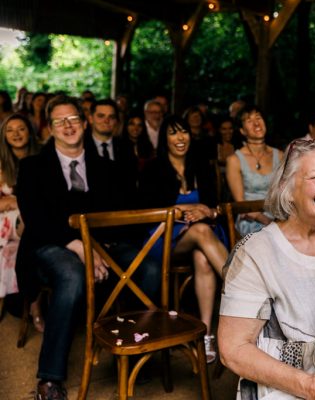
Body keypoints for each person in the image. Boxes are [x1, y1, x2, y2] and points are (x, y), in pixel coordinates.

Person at [16, 95, 161, 400]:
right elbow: (36, 220)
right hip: (50, 245)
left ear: (83, 124)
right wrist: (81, 247)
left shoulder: (107, 167)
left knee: (148, 267)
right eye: (59, 121)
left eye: (72, 119)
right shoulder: (32, 167)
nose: (67, 126)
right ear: (50, 128)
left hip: (101, 242)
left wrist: (95, 245)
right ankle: (49, 378)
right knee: (71, 276)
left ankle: (134, 357)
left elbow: (123, 212)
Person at [219, 139, 315, 400]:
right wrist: (310, 386)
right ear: (288, 189)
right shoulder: (255, 252)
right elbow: (232, 349)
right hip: (288, 386)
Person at [139, 115, 229, 363]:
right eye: (173, 133)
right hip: (164, 238)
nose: (180, 138)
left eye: (184, 132)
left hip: (203, 236)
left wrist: (206, 210)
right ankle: (242, 286)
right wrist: (179, 213)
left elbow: (215, 206)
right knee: (201, 232)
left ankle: (206, 335)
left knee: (202, 259)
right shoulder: (152, 168)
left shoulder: (201, 165)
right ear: (164, 139)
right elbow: (146, 210)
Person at [0, 114, 41, 329]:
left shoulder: (44, 159)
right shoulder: (0, 164)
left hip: (31, 222)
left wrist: (14, 201)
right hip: (5, 226)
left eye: (21, 129)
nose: (16, 134)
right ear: (4, 136)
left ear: (30, 132)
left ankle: (35, 303)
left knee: (31, 221)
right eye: (10, 130)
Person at [225, 105, 282, 236]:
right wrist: (267, 221)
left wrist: (280, 221)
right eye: (249, 121)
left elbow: (286, 193)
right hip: (251, 219)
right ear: (242, 130)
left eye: (259, 118)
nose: (256, 123)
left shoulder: (279, 155)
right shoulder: (234, 160)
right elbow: (241, 205)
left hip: (279, 217)